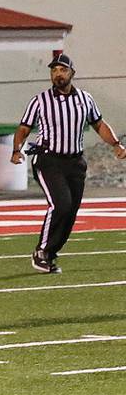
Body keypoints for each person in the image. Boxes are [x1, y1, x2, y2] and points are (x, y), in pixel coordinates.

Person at [11, 53, 126, 273]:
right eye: (54, 70)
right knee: (60, 204)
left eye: (62, 70)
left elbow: (99, 124)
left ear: (72, 73)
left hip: (75, 162)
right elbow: (24, 128)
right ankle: (41, 251)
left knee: (71, 210)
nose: (58, 74)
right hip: (48, 160)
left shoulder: (85, 99)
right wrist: (17, 150)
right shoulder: (40, 101)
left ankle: (51, 253)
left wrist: (116, 145)